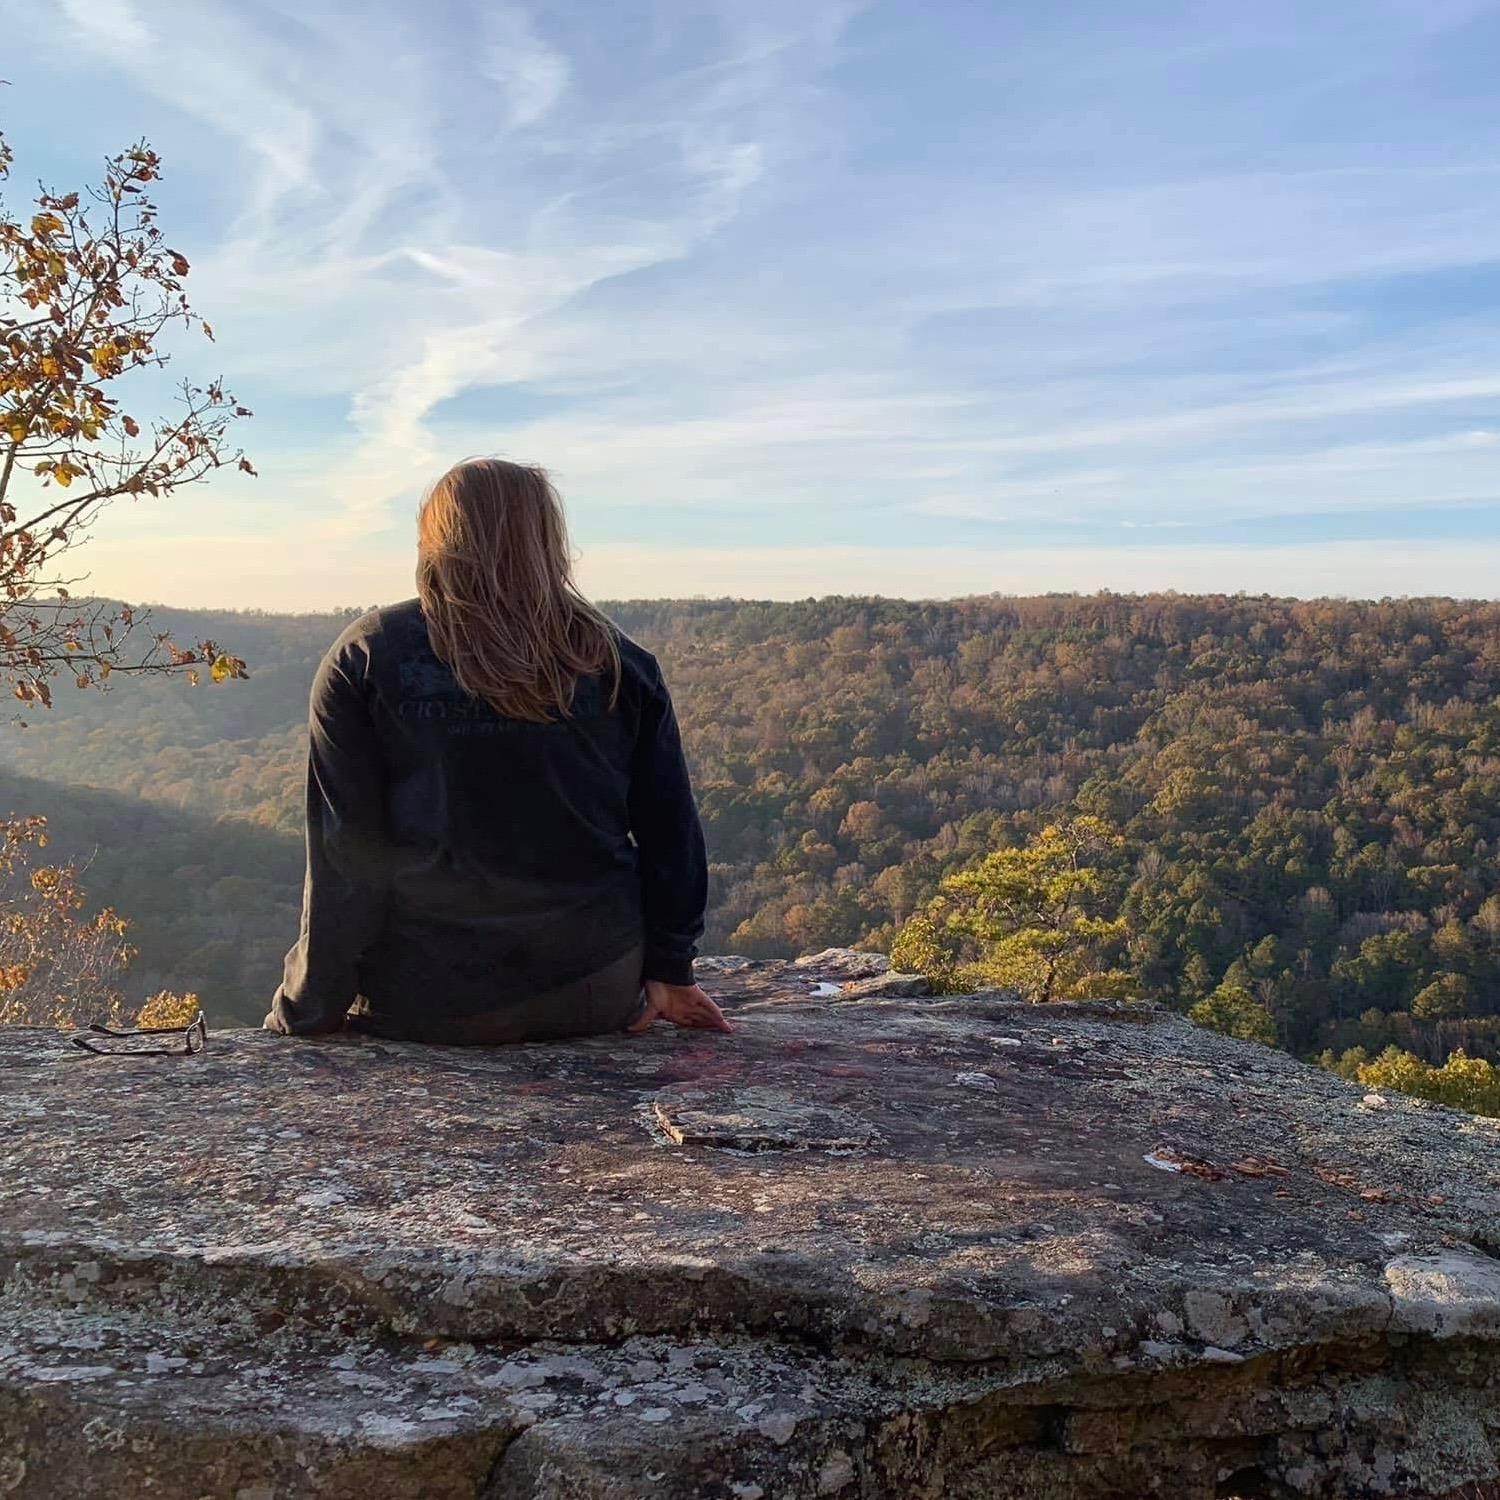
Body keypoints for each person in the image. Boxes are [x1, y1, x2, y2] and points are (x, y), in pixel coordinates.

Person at [264, 457, 730, 1044]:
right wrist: (670, 969)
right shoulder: (617, 661)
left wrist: (311, 1008)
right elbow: (671, 833)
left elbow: (347, 856)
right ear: (548, 542)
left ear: (435, 542)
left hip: (434, 998)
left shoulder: (371, 656)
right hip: (593, 989)